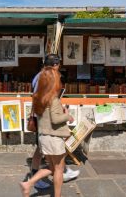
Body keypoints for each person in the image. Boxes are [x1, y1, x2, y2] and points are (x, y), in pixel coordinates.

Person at [29, 54, 79, 190]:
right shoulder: (45, 77)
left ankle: (53, 172)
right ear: (55, 65)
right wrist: (57, 107)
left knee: (41, 149)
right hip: (45, 120)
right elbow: (43, 98)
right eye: (58, 65)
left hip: (43, 117)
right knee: (43, 150)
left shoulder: (40, 75)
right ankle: (38, 177)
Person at [21, 67, 73, 197]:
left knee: (52, 168)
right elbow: (56, 119)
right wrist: (67, 115)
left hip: (43, 137)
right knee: (59, 169)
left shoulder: (38, 97)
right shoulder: (54, 99)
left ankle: (28, 183)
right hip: (54, 138)